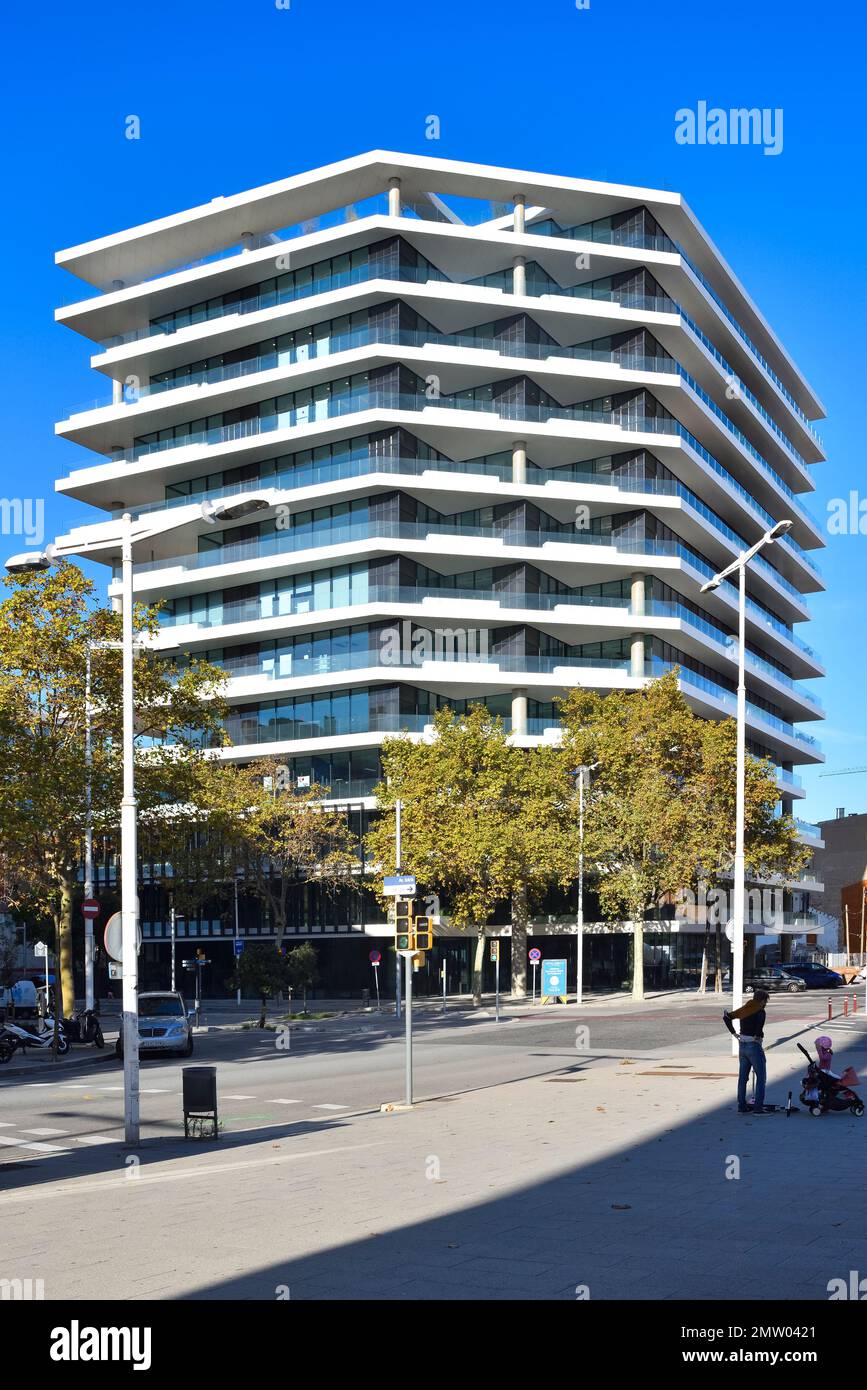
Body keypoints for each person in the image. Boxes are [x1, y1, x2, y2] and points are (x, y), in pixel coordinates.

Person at [724, 989, 771, 1114]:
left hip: (742, 1046)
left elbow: (726, 1016)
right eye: (765, 1001)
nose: (766, 1003)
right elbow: (759, 1027)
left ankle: (742, 1106)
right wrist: (757, 1035)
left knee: (743, 1078)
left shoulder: (745, 1008)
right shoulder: (760, 1011)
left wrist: (734, 1033)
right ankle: (758, 1109)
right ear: (761, 1001)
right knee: (761, 1077)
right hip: (754, 1046)